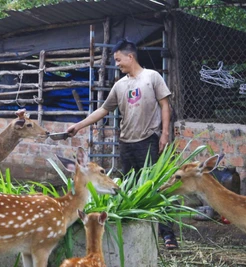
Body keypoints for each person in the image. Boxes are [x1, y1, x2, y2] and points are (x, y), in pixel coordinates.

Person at [66, 38, 178, 250]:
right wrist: (79, 125)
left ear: (130, 56)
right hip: (127, 143)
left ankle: (167, 234)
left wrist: (164, 134)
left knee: (156, 187)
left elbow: (165, 105)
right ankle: (132, 230)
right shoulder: (120, 85)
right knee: (126, 187)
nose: (116, 64)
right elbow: (103, 110)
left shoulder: (152, 77)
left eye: (118, 60)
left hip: (149, 141)